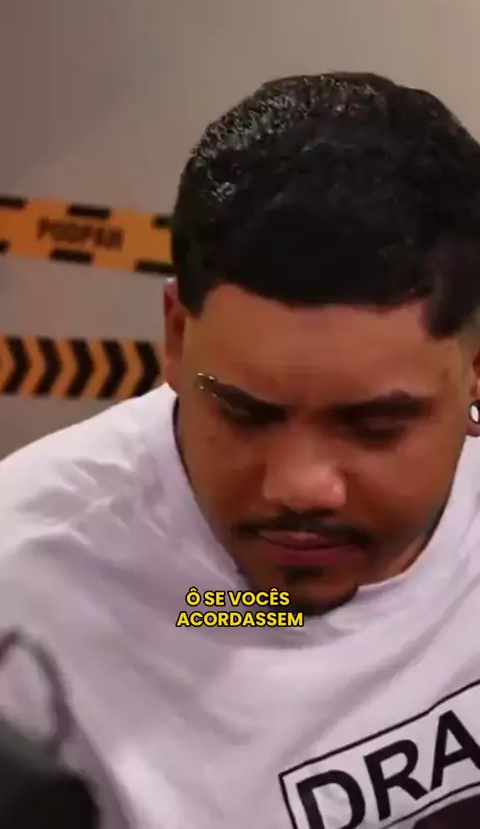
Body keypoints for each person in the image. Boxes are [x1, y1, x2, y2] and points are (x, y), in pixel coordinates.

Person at [1, 71, 480, 829]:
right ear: (176, 335)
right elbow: (232, 614)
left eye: (375, 427)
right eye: (243, 412)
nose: (300, 487)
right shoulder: (24, 591)